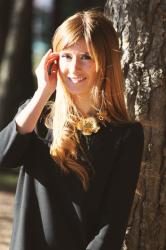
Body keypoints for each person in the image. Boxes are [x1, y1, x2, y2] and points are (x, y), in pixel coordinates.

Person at [0, 9, 144, 250]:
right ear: (54, 60)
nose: (74, 68)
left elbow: (111, 226)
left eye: (86, 57)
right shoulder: (37, 115)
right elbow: (4, 155)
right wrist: (42, 92)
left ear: (105, 62)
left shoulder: (126, 135)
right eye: (66, 56)